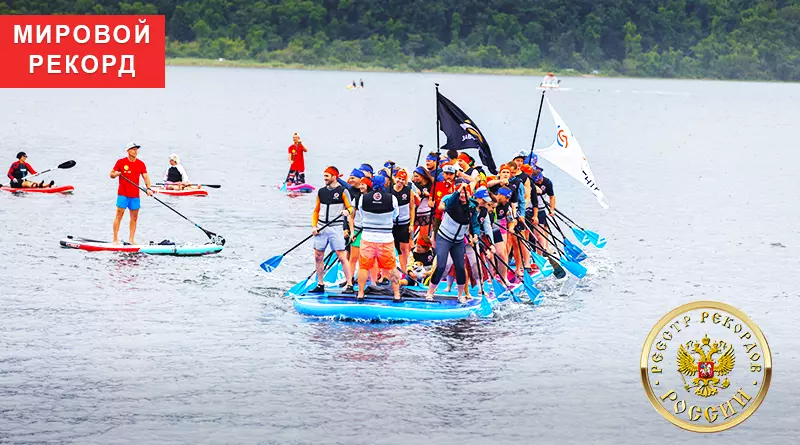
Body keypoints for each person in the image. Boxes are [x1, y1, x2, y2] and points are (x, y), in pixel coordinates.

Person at [425, 183, 481, 303]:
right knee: (441, 265)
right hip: (444, 238)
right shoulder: (451, 202)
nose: (462, 195)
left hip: (458, 241)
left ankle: (460, 295)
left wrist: (475, 235)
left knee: (460, 267)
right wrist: (459, 190)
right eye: (460, 193)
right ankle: (430, 292)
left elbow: (475, 224)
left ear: (470, 195)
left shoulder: (472, 207)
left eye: (465, 193)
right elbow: (448, 204)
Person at [355, 175, 400, 301]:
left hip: (368, 237)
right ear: (384, 184)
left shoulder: (363, 198)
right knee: (391, 267)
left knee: (364, 266)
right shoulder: (392, 199)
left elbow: (361, 213)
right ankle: (397, 295)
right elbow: (396, 215)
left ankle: (360, 293)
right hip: (385, 238)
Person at [311, 166, 355, 294]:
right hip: (322, 227)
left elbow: (351, 208)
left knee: (341, 256)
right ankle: (320, 284)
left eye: (327, 176)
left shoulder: (343, 191)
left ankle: (349, 284)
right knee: (318, 256)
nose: (324, 178)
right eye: (324, 176)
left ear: (334, 177)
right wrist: (314, 226)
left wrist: (347, 211)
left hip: (336, 227)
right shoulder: (321, 192)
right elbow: (316, 211)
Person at [110, 142, 153, 245]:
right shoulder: (121, 162)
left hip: (135, 195)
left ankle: (131, 240)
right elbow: (111, 174)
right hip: (123, 194)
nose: (135, 151)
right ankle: (115, 239)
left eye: (136, 149)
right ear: (128, 151)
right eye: (133, 149)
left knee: (134, 217)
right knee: (119, 215)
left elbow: (145, 176)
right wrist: (116, 174)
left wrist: (149, 188)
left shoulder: (140, 164)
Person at [391, 168, 416, 273]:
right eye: (399, 178)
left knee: (404, 248)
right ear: (395, 178)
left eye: (403, 179)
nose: (400, 181)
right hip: (392, 223)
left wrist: (411, 224)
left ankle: (405, 271)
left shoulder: (408, 191)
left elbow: (412, 208)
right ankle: (390, 271)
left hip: (404, 223)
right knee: (392, 247)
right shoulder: (389, 190)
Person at [532, 171, 556, 256]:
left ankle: (542, 253)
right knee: (530, 234)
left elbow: (552, 197)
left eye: (540, 180)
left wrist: (552, 209)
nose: (539, 182)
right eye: (537, 181)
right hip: (529, 209)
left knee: (540, 233)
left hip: (540, 210)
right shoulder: (530, 181)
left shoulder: (547, 182)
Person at [411, 166, 434, 243]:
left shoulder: (431, 184)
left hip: (426, 213)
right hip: (415, 212)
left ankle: (422, 250)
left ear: (423, 176)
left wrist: (429, 195)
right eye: (414, 176)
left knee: (423, 237)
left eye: (417, 176)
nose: (415, 178)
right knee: (410, 234)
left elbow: (435, 198)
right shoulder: (414, 185)